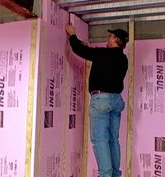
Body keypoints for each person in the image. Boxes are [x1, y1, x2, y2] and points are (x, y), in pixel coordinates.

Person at [65, 24, 129, 177]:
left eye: (110, 36)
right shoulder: (123, 58)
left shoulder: (103, 54)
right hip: (116, 102)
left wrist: (72, 35)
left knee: (100, 140)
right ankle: (114, 174)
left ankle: (106, 175)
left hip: (101, 101)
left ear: (114, 39)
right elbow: (96, 56)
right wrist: (89, 50)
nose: (108, 38)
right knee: (113, 140)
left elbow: (80, 51)